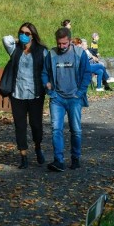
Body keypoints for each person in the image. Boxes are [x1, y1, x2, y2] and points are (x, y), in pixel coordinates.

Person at [41, 28, 92, 172]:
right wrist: (47, 85)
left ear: (70, 41)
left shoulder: (79, 53)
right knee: (56, 129)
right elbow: (44, 73)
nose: (61, 46)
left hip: (74, 98)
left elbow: (87, 74)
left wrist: (80, 92)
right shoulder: (51, 54)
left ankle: (75, 158)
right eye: (59, 43)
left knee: (75, 130)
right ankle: (59, 161)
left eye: (64, 44)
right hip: (57, 98)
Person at [2, 23, 49, 169]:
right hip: (17, 94)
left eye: (27, 33)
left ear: (33, 35)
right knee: (20, 126)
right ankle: (23, 156)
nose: (24, 35)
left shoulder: (42, 51)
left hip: (35, 95)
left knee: (36, 125)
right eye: (21, 32)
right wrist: (19, 39)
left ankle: (38, 147)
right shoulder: (14, 49)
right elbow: (5, 39)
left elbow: (47, 70)